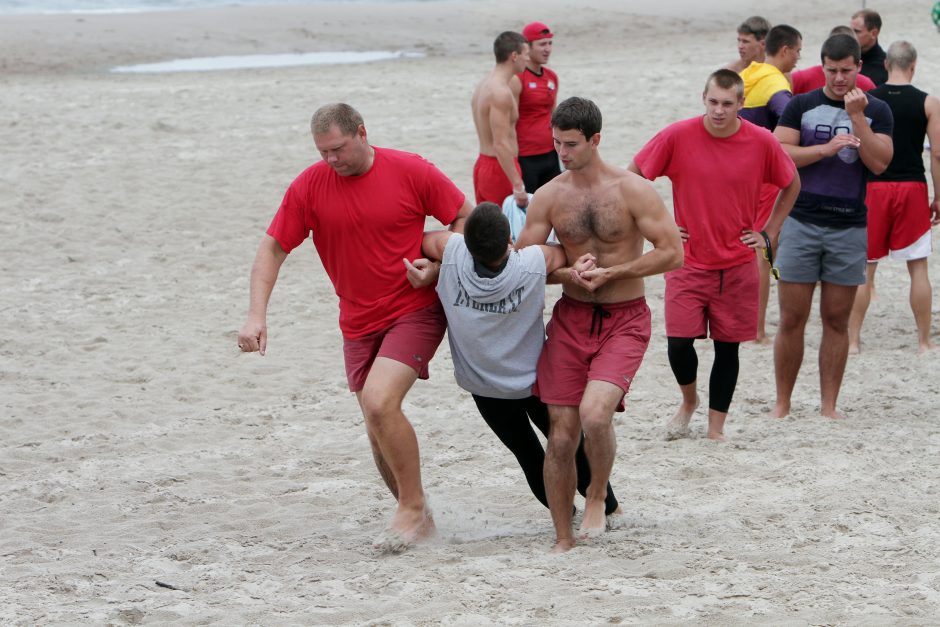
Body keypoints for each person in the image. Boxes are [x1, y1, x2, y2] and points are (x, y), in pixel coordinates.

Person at [237, 103, 472, 552]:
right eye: (323, 152)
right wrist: (256, 314)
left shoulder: (410, 169)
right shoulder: (309, 185)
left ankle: (412, 507)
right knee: (374, 424)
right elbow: (272, 250)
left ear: (362, 133)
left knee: (380, 402)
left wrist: (439, 264)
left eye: (338, 149)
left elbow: (466, 216)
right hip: (358, 321)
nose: (331, 160)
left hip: (414, 307)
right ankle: (419, 518)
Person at [515, 97, 684, 552]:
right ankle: (562, 536)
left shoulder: (633, 190)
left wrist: (616, 272)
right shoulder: (549, 196)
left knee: (594, 414)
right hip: (571, 319)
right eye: (556, 144)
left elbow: (673, 252)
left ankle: (595, 494)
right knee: (562, 433)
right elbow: (523, 265)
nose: (562, 153)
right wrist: (564, 274)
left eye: (570, 144)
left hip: (624, 319)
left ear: (595, 140)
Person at [412, 202, 623, 522]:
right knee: (570, 447)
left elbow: (426, 239)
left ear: (465, 241)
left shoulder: (453, 253)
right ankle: (610, 509)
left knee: (528, 454)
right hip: (533, 382)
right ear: (509, 239)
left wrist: (439, 262)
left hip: (485, 388)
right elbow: (562, 253)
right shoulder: (529, 262)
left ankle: (565, 514)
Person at [629, 69, 799, 442]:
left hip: (738, 264)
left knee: (728, 349)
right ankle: (688, 401)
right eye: (713, 102)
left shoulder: (762, 141)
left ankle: (716, 428)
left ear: (741, 104)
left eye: (727, 104)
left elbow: (792, 183)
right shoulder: (678, 135)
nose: (719, 111)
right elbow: (635, 176)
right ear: (703, 99)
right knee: (678, 343)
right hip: (686, 260)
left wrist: (769, 232)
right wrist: (659, 225)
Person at [771, 34, 893, 420]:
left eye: (846, 70)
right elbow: (779, 154)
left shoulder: (878, 110)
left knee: (836, 319)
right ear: (821, 67)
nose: (839, 78)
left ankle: (829, 406)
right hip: (801, 220)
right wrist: (823, 150)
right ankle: (783, 404)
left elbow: (880, 163)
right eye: (832, 70)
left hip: (848, 226)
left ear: (859, 67)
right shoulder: (801, 105)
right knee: (792, 318)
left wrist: (857, 117)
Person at [848, 41, 940, 354]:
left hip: (875, 187)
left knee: (865, 268)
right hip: (912, 187)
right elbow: (937, 155)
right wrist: (938, 197)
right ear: (913, 66)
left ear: (886, 64)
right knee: (918, 268)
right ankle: (924, 342)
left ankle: (853, 341)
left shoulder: (869, 102)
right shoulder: (929, 102)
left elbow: (858, 147)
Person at [740, 24, 803, 343]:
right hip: (763, 177)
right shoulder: (777, 85)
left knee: (742, 247)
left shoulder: (750, 75)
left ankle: (744, 322)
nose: (798, 59)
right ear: (785, 50)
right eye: (797, 52)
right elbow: (789, 123)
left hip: (737, 172)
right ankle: (758, 329)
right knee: (762, 251)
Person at [472, 31, 530, 209]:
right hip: (499, 168)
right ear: (514, 56)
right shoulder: (500, 93)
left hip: (483, 164)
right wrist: (518, 185)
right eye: (526, 55)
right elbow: (500, 144)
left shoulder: (484, 84)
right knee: (505, 231)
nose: (527, 60)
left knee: (488, 231)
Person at [511, 21, 562, 194]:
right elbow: (508, 123)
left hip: (551, 153)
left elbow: (554, 116)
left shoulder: (552, 77)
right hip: (526, 157)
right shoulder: (518, 78)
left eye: (550, 43)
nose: (547, 49)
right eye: (542, 44)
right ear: (528, 47)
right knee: (530, 211)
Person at [852, 9, 888, 86]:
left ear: (874, 33)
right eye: (850, 31)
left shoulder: (887, 66)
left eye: (857, 31)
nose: (851, 35)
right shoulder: (846, 60)